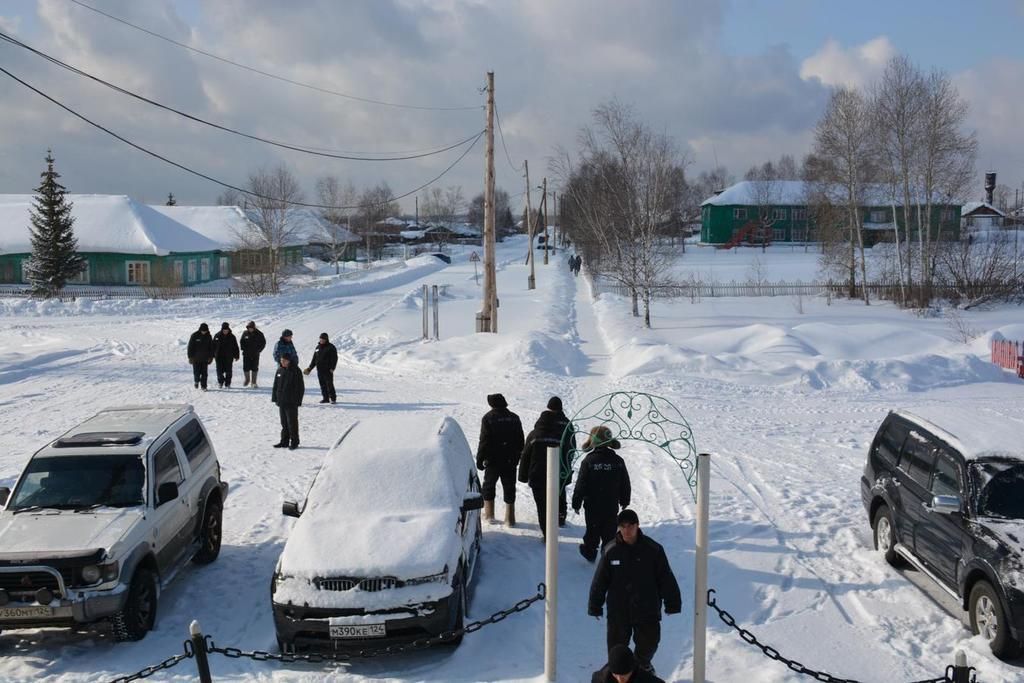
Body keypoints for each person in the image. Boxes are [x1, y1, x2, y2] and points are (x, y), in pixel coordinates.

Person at [588, 509, 681, 676]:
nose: (626, 530)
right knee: (617, 648)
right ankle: (618, 673)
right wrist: (595, 605)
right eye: (622, 526)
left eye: (630, 526)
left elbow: (665, 577)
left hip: (647, 608)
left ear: (637, 526)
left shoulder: (653, 550)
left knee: (649, 643)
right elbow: (600, 580)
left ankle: (642, 665)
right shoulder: (611, 550)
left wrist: (672, 602)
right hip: (619, 610)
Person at [519, 396, 576, 537]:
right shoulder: (567, 426)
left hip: (537, 472)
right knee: (560, 493)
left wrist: (523, 476)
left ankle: (547, 532)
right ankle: (560, 518)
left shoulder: (535, 434)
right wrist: (566, 466)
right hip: (560, 470)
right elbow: (572, 448)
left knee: (542, 504)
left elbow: (525, 455)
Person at [572, 425, 631, 562]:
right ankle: (608, 553)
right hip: (610, 504)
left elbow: (581, 484)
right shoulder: (618, 461)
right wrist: (624, 500)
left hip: (592, 505)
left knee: (592, 530)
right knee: (609, 531)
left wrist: (577, 502)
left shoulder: (589, 461)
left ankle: (590, 550)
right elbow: (625, 483)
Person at [476, 394, 524, 527]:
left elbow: (484, 440)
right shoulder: (514, 417)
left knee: (489, 485)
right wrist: (517, 456)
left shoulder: (488, 418)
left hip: (493, 459)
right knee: (509, 486)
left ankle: (489, 515)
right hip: (510, 459)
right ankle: (510, 518)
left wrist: (480, 458)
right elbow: (521, 439)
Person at [271, 353, 304, 450]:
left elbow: (300, 387)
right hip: (281, 401)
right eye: (281, 360)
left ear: (289, 360)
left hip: (291, 402)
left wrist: (298, 401)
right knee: (284, 422)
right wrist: (275, 398)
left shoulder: (296, 371)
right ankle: (284, 441)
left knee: (292, 423)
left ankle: (294, 442)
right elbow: (275, 385)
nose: (282, 362)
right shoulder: (279, 370)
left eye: (284, 360)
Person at [591, 644, 665, 683]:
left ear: (632, 670)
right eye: (616, 675)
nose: (620, 680)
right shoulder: (600, 679)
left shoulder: (645, 679)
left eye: (624, 675)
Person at [304, 333, 338, 404]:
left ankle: (333, 398)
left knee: (329, 384)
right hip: (319, 370)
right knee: (322, 384)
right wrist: (310, 368)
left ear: (326, 339)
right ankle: (325, 398)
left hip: (328, 370)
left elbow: (334, 359)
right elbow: (314, 359)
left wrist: (332, 368)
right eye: (320, 339)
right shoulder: (318, 347)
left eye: (323, 339)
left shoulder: (331, 347)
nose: (321, 340)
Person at [186, 322, 214, 391]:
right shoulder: (194, 335)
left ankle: (204, 386)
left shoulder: (209, 336)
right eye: (203, 331)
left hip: (205, 359)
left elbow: (211, 347)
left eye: (205, 331)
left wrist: (211, 357)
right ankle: (196, 381)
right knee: (197, 373)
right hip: (196, 359)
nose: (204, 332)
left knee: (204, 374)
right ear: (200, 330)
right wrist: (190, 357)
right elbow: (190, 347)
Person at [212, 322, 240, 388]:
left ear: (228, 329)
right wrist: (212, 355)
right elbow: (213, 346)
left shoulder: (232, 337)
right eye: (224, 330)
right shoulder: (217, 336)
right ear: (222, 329)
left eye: (226, 330)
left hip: (229, 357)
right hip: (219, 357)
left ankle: (228, 383)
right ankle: (220, 382)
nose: (225, 331)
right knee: (219, 371)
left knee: (228, 371)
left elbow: (235, 347)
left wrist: (236, 356)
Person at [240, 321, 266, 388]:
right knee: (246, 367)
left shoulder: (259, 334)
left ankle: (254, 382)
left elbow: (263, 343)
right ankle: (247, 380)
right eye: (249, 328)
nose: (250, 329)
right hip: (246, 354)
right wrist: (243, 348)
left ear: (254, 328)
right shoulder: (245, 333)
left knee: (254, 367)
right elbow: (241, 341)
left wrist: (259, 350)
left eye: (251, 328)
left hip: (255, 354)